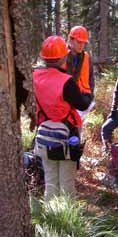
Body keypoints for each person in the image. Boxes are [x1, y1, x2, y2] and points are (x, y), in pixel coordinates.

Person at [33, 35, 91, 199]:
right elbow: (82, 104)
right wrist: (87, 96)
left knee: (50, 180)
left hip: (44, 135)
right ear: (63, 57)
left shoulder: (34, 76)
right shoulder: (66, 81)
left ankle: (51, 217)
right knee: (66, 182)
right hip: (67, 136)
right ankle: (66, 219)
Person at [66, 25, 94, 103]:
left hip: (83, 98)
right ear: (70, 40)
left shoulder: (86, 57)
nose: (81, 45)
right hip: (66, 99)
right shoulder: (62, 56)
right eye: (79, 42)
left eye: (84, 43)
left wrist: (90, 97)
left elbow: (91, 78)